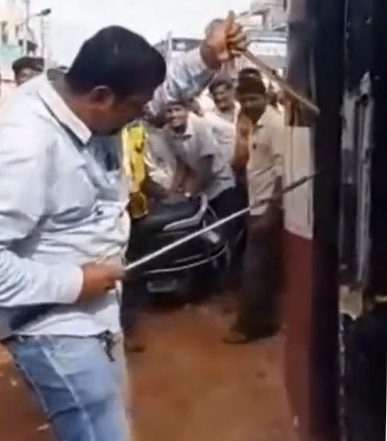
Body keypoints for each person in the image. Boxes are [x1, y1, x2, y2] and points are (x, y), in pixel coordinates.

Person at [0, 18, 246, 441]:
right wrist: (76, 280)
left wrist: (207, 56)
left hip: (97, 310)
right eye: (135, 109)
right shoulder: (24, 148)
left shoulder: (87, 100)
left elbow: (159, 98)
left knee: (112, 421)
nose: (144, 116)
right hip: (50, 324)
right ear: (101, 97)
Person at [224, 74, 284, 343]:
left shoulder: (274, 125)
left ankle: (248, 327)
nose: (248, 104)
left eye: (253, 98)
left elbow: (283, 174)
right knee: (262, 270)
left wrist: (271, 212)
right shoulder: (253, 123)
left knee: (254, 270)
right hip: (254, 204)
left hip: (267, 209)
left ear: (265, 97)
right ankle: (265, 323)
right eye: (244, 99)